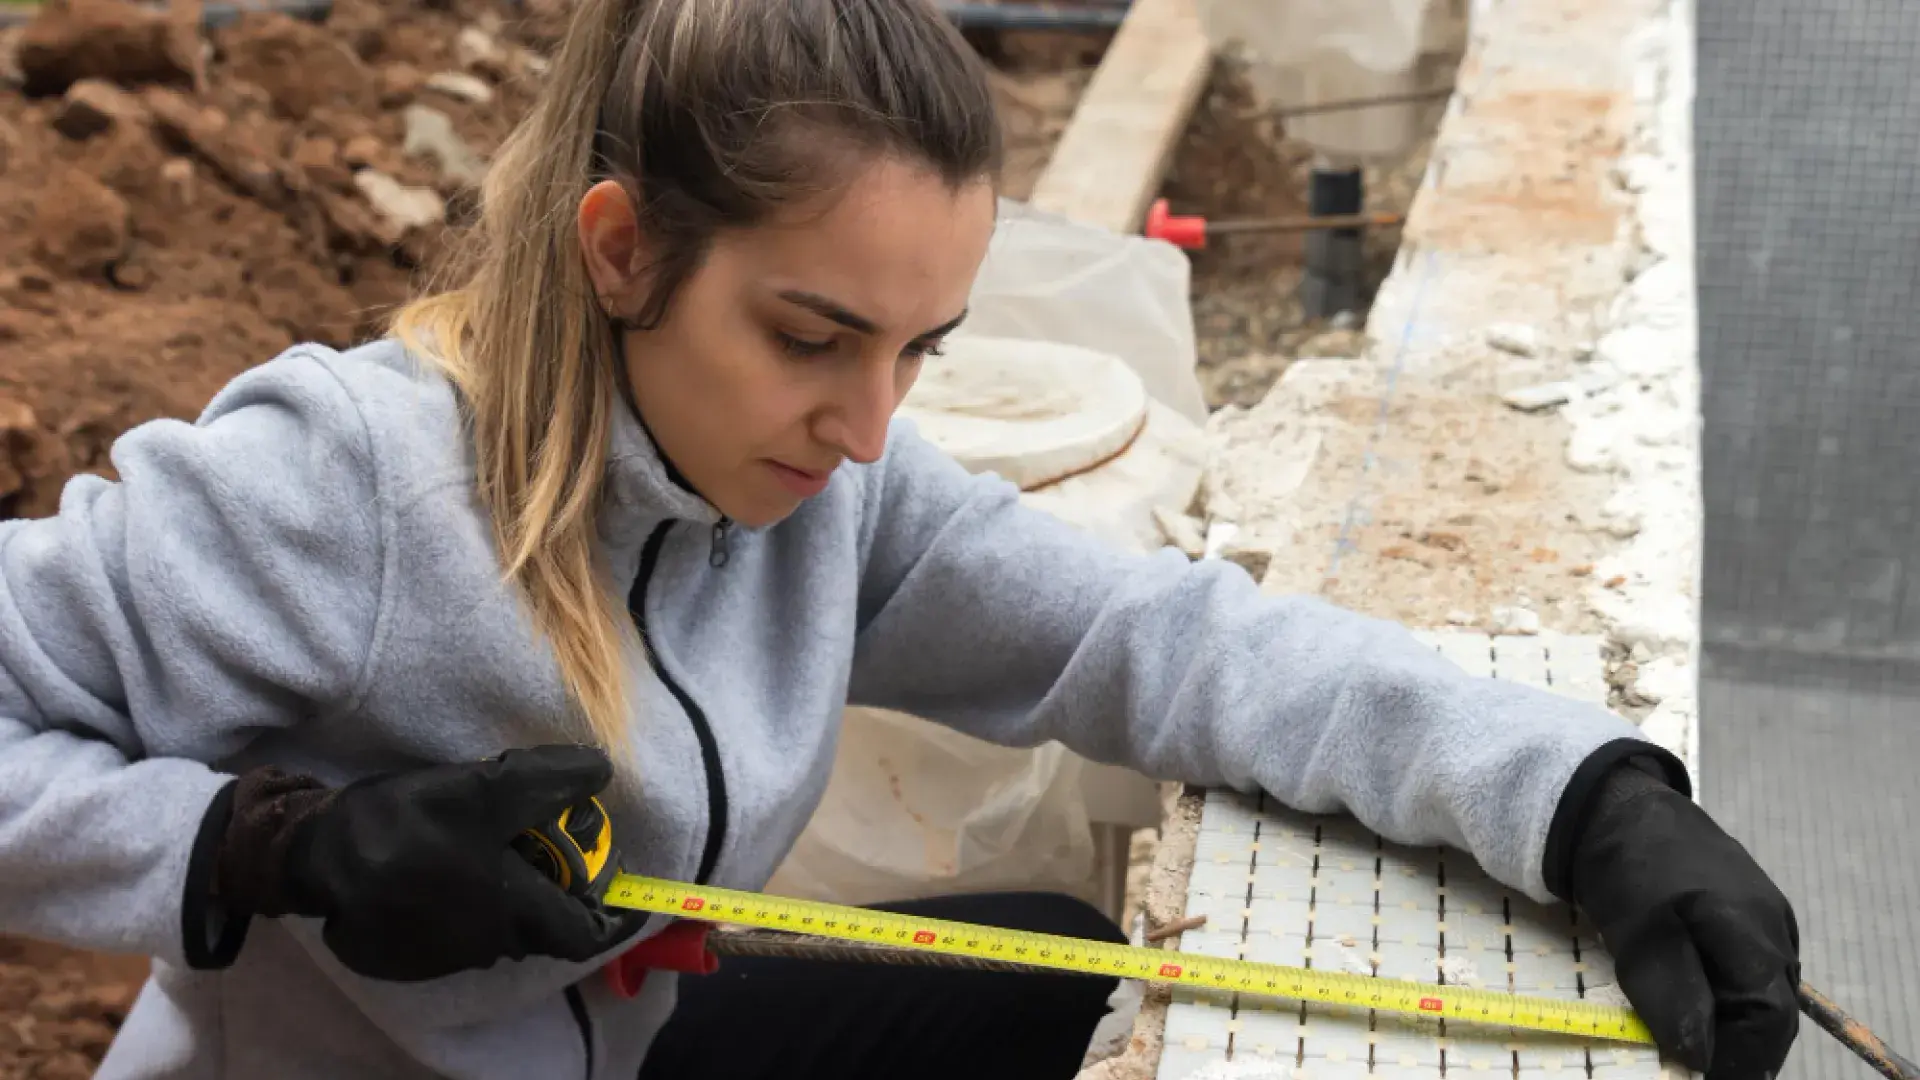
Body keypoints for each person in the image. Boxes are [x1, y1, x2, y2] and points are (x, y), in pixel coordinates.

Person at [0, 0, 1799, 1077]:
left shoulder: (817, 495)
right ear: (621, 249)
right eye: (810, 336)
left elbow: (1164, 644)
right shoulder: (343, 490)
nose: (870, 430)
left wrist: (1580, 800)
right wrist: (266, 852)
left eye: (914, 347)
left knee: (1053, 968)